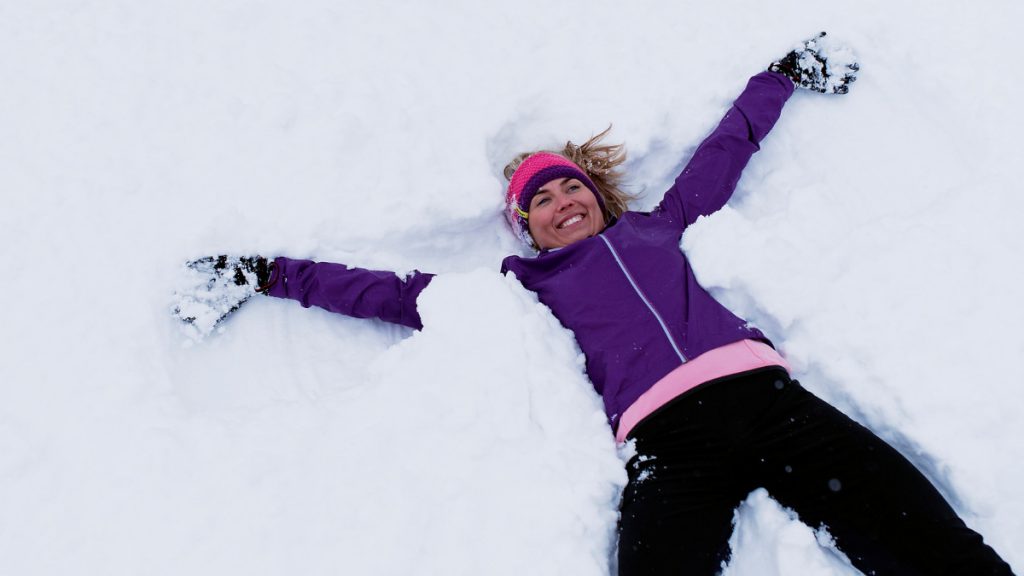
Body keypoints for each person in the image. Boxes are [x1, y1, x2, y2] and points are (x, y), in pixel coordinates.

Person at [174, 34, 1014, 575]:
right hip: (670, 447)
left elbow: (724, 154)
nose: (561, 201)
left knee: (933, 549)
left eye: (570, 186)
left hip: (772, 407)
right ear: (527, 230)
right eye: (541, 201)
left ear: (599, 197)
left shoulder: (661, 226)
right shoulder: (517, 290)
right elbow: (381, 293)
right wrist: (261, 271)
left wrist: (779, 78)